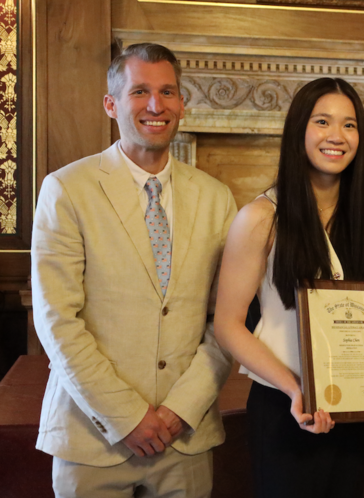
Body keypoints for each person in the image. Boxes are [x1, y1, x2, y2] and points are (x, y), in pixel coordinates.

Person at [31, 43, 237, 498]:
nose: (156, 106)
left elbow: (225, 321)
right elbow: (56, 320)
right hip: (93, 439)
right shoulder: (67, 189)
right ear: (111, 104)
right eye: (140, 91)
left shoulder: (217, 197)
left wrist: (182, 409)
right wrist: (127, 416)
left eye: (168, 92)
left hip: (185, 440)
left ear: (182, 103)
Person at [213, 77, 364, 498]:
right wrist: (293, 388)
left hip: (349, 409)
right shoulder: (261, 218)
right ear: (299, 129)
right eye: (322, 121)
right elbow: (227, 325)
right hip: (284, 406)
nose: (337, 136)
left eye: (349, 125)